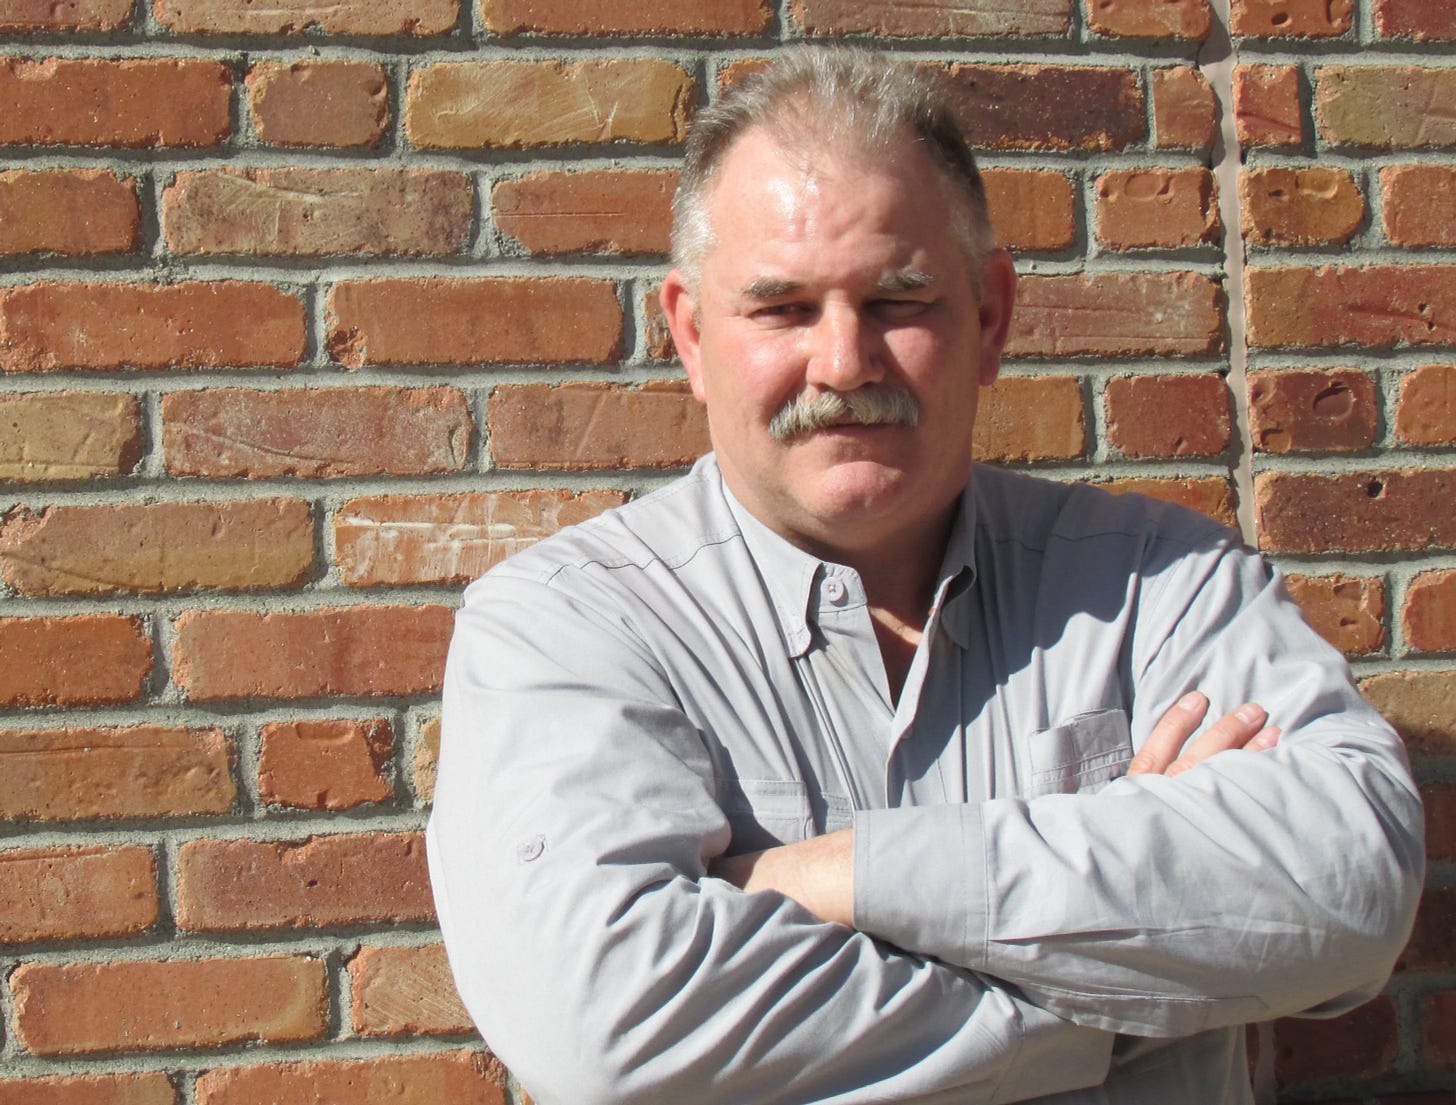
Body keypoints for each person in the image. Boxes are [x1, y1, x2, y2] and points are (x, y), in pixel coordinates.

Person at [427, 46, 1423, 1105]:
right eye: (781, 308)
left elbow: (1351, 889)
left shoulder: (1159, 582)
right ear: (689, 332)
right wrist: (1139, 970)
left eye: (899, 299)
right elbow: (601, 1030)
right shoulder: (565, 627)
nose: (844, 362)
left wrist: (830, 876)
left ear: (989, 317)